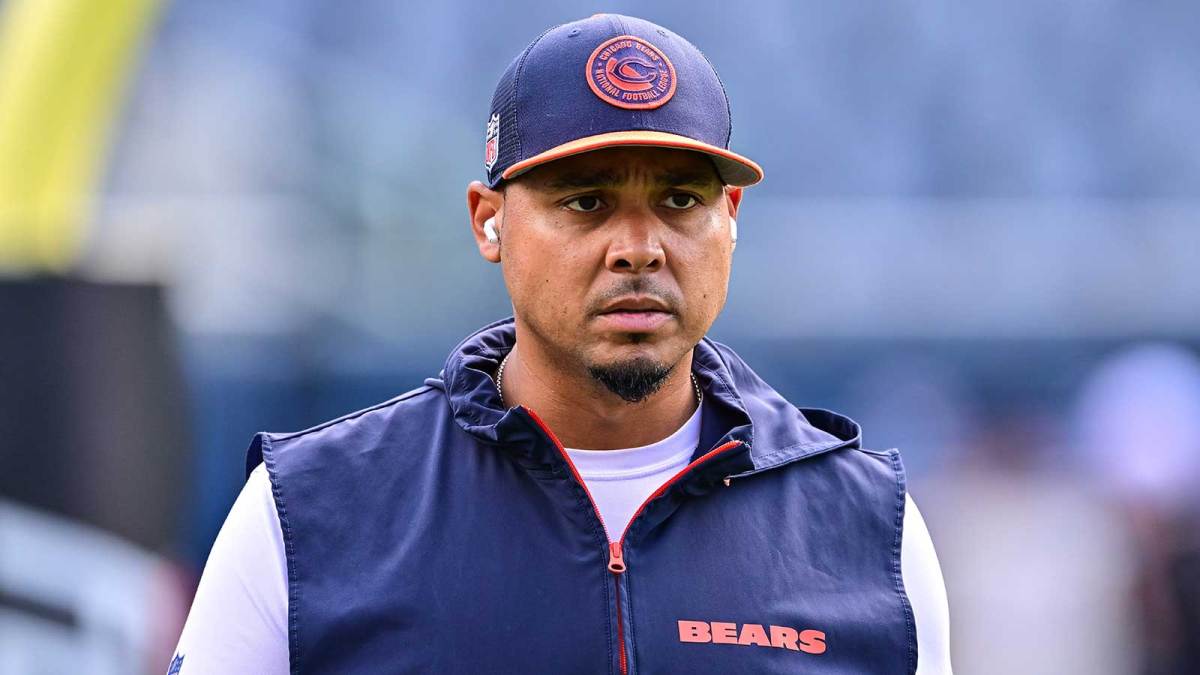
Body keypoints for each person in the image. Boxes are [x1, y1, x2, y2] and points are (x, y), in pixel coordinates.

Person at [171, 13, 952, 674]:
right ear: (489, 220)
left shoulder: (869, 527)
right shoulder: (309, 511)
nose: (639, 247)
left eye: (681, 199)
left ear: (732, 217)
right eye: (587, 201)